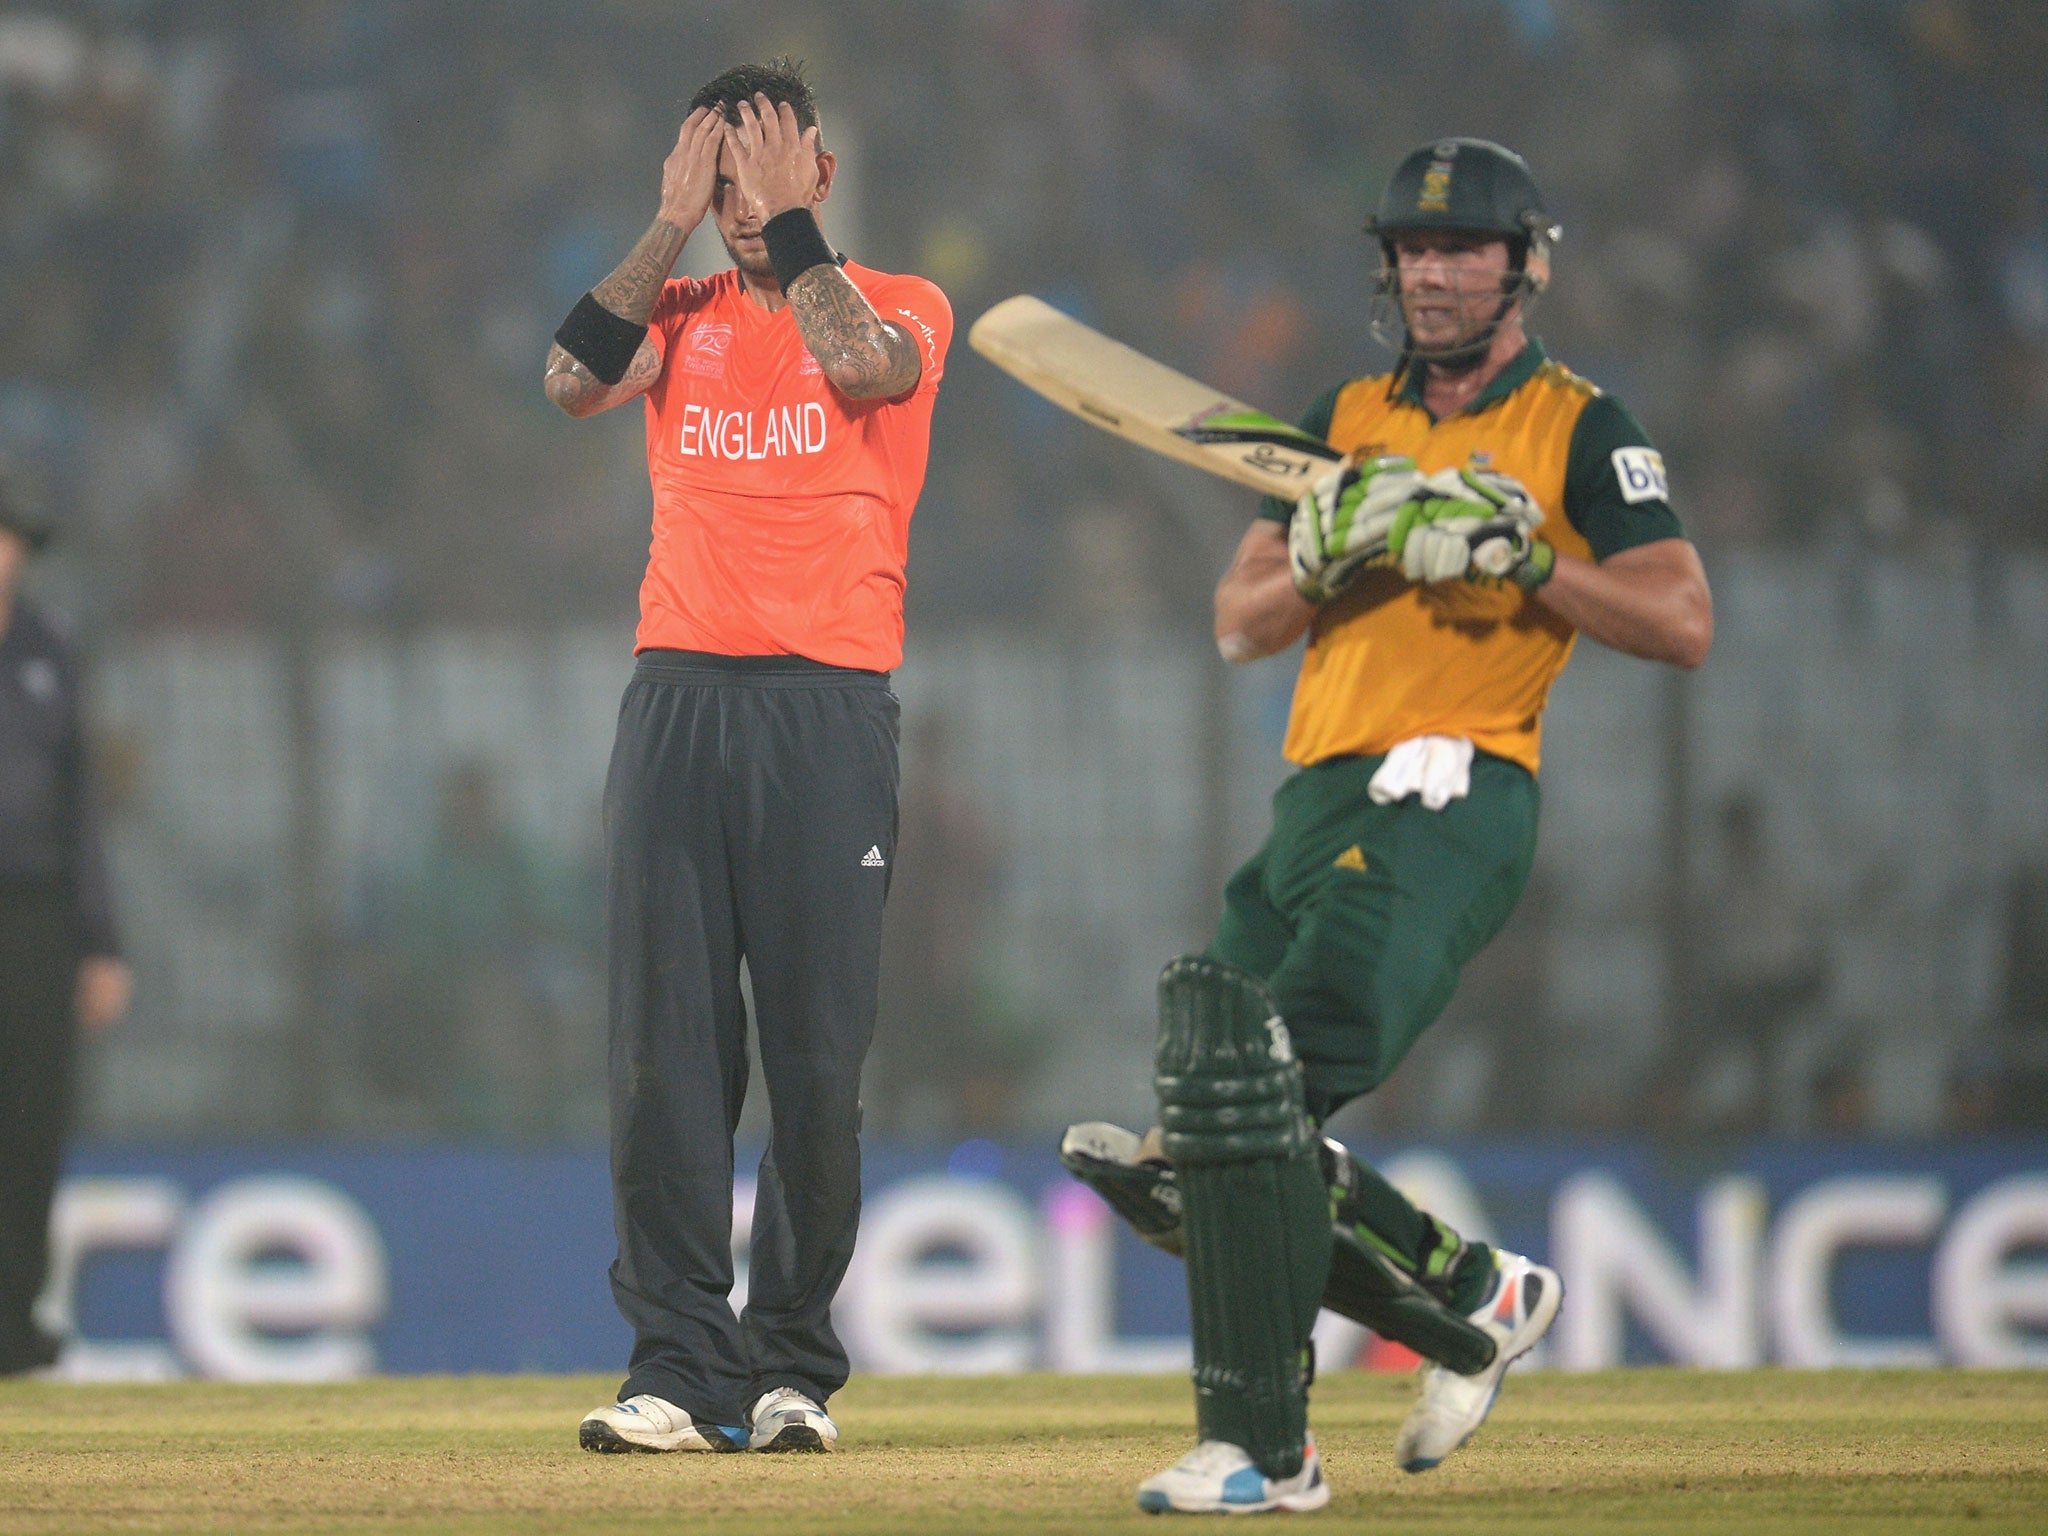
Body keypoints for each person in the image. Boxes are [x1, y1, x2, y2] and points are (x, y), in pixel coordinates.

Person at [1060, 139, 1712, 1513]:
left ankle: (1269, 1453)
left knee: (1252, 1098)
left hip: (1451, 788)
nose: (1432, 272)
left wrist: (1532, 560)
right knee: (1215, 1116)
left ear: (1524, 265)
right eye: (1412, 250)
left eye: (1464, 248)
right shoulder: (1339, 412)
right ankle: (1475, 1296)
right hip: (1313, 798)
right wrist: (1323, 552)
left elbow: (1681, 618)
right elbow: (1241, 624)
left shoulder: (1583, 429)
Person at [542, 60, 950, 1455]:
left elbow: (861, 369)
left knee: (816, 1061)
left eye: (767, 173)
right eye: (721, 182)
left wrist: (789, 230)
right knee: (663, 1054)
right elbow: (566, 382)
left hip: (828, 713)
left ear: (823, 177)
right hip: (677, 704)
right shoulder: (678, 310)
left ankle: (789, 1368)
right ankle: (676, 1368)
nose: (742, 205)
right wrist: (665, 226)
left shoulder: (901, 303)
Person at [0, 465, 131, 1375]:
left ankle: (14, 1318)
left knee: (34, 1119)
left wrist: (101, 941)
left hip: (37, 914)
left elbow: (82, 810)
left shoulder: (50, 651)